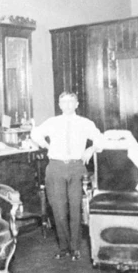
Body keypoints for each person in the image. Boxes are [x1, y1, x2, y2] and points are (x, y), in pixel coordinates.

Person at [30, 91, 102, 262]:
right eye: (63, 102)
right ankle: (64, 247)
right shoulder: (52, 122)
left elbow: (100, 138)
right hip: (55, 167)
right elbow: (35, 134)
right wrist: (46, 145)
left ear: (77, 104)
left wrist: (91, 149)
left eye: (71, 101)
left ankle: (75, 248)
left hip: (77, 167)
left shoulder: (85, 123)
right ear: (59, 105)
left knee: (76, 208)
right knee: (58, 209)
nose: (67, 105)